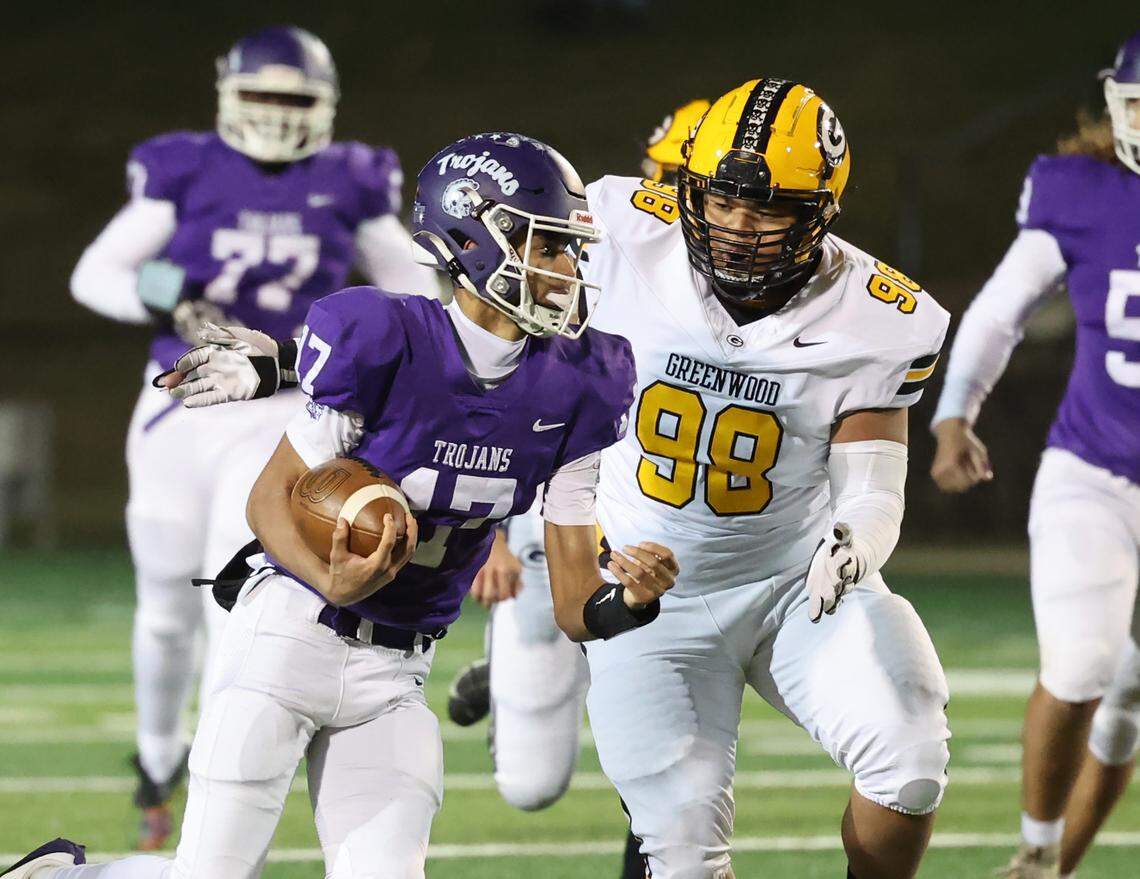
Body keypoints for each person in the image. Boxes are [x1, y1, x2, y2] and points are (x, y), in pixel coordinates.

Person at [147, 78, 953, 879]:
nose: (741, 227)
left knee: (911, 750)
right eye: (723, 200)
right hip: (627, 591)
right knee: (641, 830)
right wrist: (289, 363)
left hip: (784, 581)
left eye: (771, 208)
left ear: (820, 213)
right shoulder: (621, 229)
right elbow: (465, 304)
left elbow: (876, 480)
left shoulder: (871, 317)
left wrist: (858, 540)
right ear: (687, 187)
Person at [6, 132, 678, 879]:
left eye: (572, 251)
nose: (566, 271)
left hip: (396, 673)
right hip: (286, 634)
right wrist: (332, 580)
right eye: (548, 247)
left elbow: (577, 604)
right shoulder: (383, 336)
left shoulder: (587, 380)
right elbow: (269, 503)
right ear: (473, 240)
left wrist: (634, 600)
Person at [67, 25, 436, 850]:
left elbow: (415, 292)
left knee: (220, 591)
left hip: (277, 407)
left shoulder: (351, 180)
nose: (275, 115)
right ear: (228, 96)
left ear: (326, 108)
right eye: (262, 96)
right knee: (164, 601)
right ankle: (157, 750)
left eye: (293, 100)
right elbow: (96, 272)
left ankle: (216, 776)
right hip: (180, 400)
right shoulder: (184, 166)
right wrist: (171, 299)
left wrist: (354, 348)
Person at [443, 97, 713, 879]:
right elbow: (474, 384)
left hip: (661, 534)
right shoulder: (581, 255)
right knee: (531, 785)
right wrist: (487, 531)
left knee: (670, 764)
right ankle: (511, 660)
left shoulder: (760, 296)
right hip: (555, 516)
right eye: (669, 184)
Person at [930, 32, 1140, 879]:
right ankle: (1036, 847)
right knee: (1085, 665)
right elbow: (998, 311)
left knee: (1129, 695)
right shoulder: (1081, 191)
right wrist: (954, 413)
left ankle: (1054, 866)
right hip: (1094, 470)